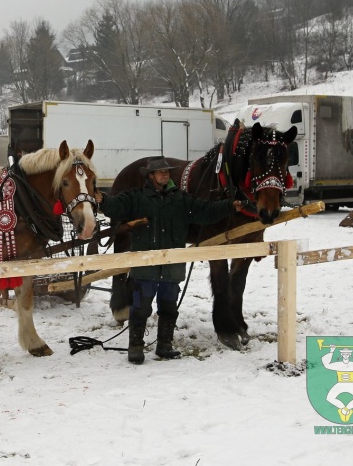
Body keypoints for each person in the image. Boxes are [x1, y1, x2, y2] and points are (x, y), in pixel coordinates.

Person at [94, 156, 243, 364]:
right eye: (161, 172)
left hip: (171, 267)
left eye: (167, 172)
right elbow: (116, 206)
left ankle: (165, 345)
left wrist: (229, 206)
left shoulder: (180, 199)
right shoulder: (137, 197)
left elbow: (205, 211)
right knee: (142, 307)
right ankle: (135, 347)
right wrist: (103, 200)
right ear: (151, 176)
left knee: (169, 308)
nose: (165, 175)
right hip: (146, 266)